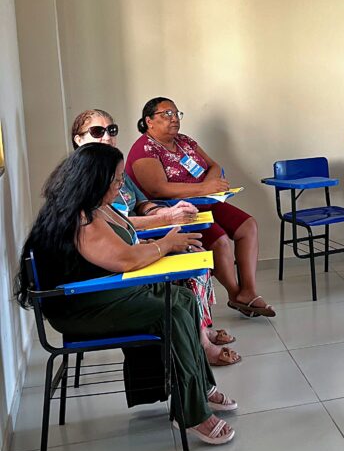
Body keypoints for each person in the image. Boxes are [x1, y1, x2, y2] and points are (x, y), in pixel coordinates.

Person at [15, 144, 236, 445]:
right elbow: (126, 260)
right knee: (171, 310)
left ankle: (201, 388)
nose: (122, 184)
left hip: (100, 293)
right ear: (96, 179)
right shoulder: (81, 219)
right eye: (117, 179)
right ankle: (191, 412)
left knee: (183, 297)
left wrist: (163, 227)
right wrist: (166, 244)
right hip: (82, 308)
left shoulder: (95, 206)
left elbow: (126, 231)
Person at [71, 108, 240, 366]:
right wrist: (166, 222)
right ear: (79, 139)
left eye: (111, 130)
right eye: (97, 131)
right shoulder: (84, 178)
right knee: (184, 271)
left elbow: (142, 203)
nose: (106, 136)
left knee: (194, 254)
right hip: (110, 269)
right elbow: (113, 223)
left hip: (131, 244)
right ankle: (201, 343)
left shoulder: (115, 169)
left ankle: (200, 329)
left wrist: (162, 211)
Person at [126, 97, 275, 318]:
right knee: (220, 240)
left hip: (205, 201)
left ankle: (249, 290)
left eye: (176, 113)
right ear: (149, 121)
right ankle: (235, 294)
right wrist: (205, 187)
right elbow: (157, 189)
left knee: (248, 225)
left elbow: (214, 166)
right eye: (167, 114)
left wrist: (211, 185)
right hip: (175, 210)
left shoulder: (184, 141)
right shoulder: (144, 149)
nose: (174, 118)